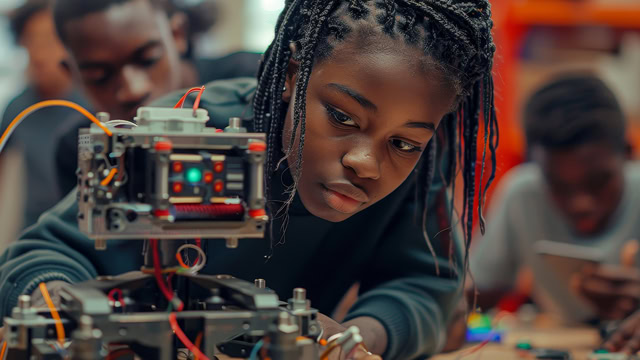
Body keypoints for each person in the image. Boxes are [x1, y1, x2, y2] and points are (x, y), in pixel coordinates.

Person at [0, 1, 498, 359]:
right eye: (343, 118)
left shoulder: (419, 171)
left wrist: (353, 338)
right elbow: (40, 255)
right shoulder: (193, 129)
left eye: (405, 143)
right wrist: (71, 323)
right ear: (293, 73)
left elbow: (423, 284)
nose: (367, 163)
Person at [468, 74, 640, 325]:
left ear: (628, 154)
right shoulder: (522, 194)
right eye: (559, 186)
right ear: (534, 165)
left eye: (598, 182)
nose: (582, 204)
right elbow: (474, 294)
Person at [51, 0, 262, 196]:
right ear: (72, 74)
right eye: (99, 76)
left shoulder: (255, 82)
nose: (132, 89)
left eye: (147, 59)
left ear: (177, 34)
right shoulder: (81, 147)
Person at [0, 0, 87, 228]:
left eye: (49, 41)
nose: (39, 52)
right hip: (30, 229)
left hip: (79, 229)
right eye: (31, 40)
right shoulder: (16, 108)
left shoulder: (91, 106)